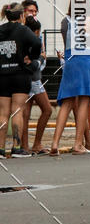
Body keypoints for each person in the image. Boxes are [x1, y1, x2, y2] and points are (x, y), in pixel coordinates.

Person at [50, 0, 90, 156]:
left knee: (67, 102)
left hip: (71, 61)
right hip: (87, 61)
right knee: (84, 103)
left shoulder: (65, 21)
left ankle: (54, 143)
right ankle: (78, 144)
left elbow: (66, 44)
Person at [0, 3, 42, 157]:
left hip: (2, 75)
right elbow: (37, 43)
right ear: (21, 15)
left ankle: (1, 148)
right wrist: (32, 57)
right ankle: (17, 147)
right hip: (20, 74)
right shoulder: (23, 30)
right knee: (17, 110)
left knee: (3, 112)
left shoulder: (1, 30)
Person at [20, 15, 52, 155]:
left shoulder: (23, 39)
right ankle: (36, 144)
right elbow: (36, 61)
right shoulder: (32, 41)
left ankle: (25, 145)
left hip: (28, 79)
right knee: (47, 109)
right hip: (34, 80)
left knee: (25, 114)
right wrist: (40, 58)